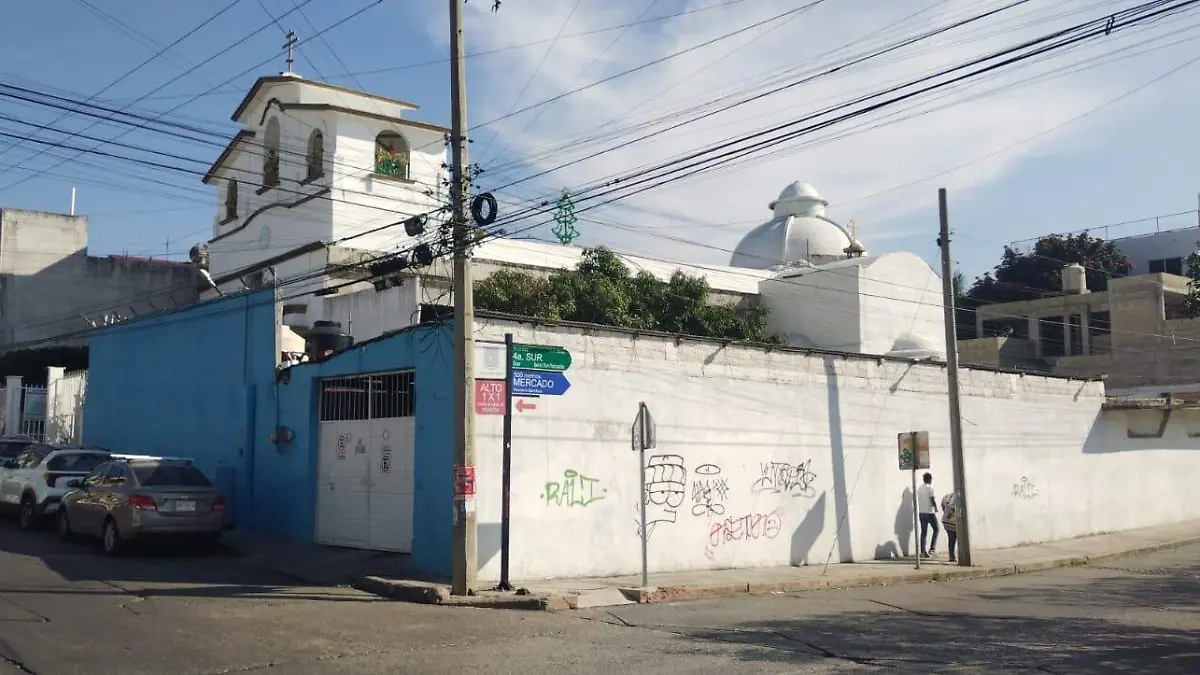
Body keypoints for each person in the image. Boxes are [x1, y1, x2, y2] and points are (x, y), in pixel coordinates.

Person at [917, 472, 939, 557]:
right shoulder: (930, 488)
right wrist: (936, 508)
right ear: (929, 479)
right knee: (936, 529)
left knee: (923, 532)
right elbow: (932, 499)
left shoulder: (919, 489)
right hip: (929, 512)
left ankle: (923, 551)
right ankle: (932, 549)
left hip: (921, 512)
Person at [941, 490, 960, 563]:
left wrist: (945, 512)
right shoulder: (957, 497)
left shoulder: (947, 496)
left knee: (951, 539)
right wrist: (951, 513)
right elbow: (952, 508)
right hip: (953, 521)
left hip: (946, 521)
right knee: (958, 539)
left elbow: (942, 505)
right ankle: (957, 556)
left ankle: (951, 556)